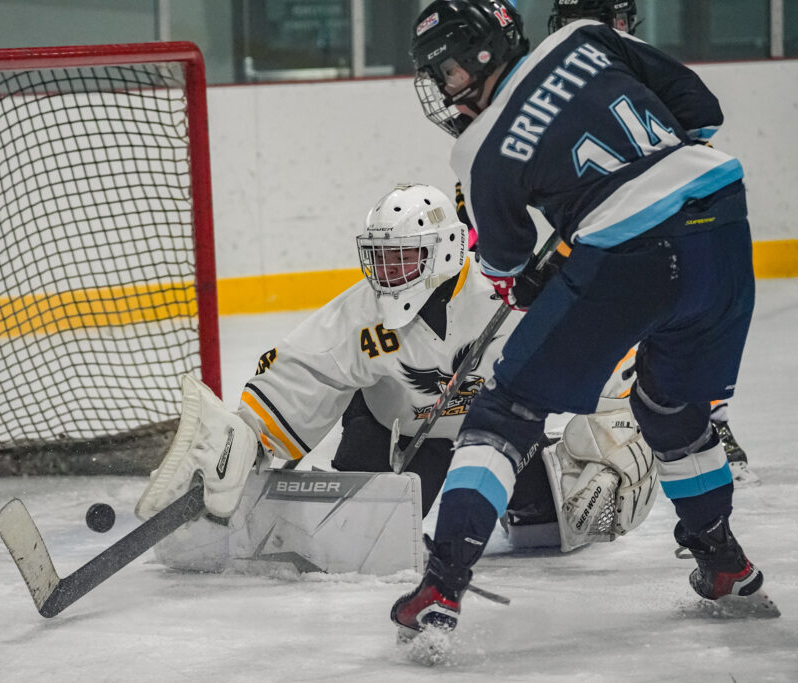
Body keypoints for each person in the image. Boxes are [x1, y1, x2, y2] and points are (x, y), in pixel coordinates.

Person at [393, 0, 778, 639]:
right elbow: (700, 113)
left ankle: (440, 586)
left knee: (506, 413)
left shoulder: (480, 150)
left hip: (629, 257)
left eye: (450, 71)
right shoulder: (587, 38)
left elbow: (510, 265)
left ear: (486, 50)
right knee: (670, 411)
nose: (444, 88)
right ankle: (727, 568)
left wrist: (554, 266)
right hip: (723, 227)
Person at [136, 183, 657, 573]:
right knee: (354, 546)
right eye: (381, 258)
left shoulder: (507, 297)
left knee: (553, 527)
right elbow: (302, 373)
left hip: (500, 440)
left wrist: (619, 437)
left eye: (403, 257)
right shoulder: (360, 314)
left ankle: (543, 482)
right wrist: (241, 439)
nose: (387, 272)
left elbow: (608, 360)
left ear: (447, 251)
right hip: (396, 437)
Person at [547, 0, 759, 488]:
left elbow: (701, 127)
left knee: (683, 322)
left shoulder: (636, 67)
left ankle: (707, 422)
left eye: (605, 20)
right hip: (602, 224)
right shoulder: (556, 85)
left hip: (662, 221)